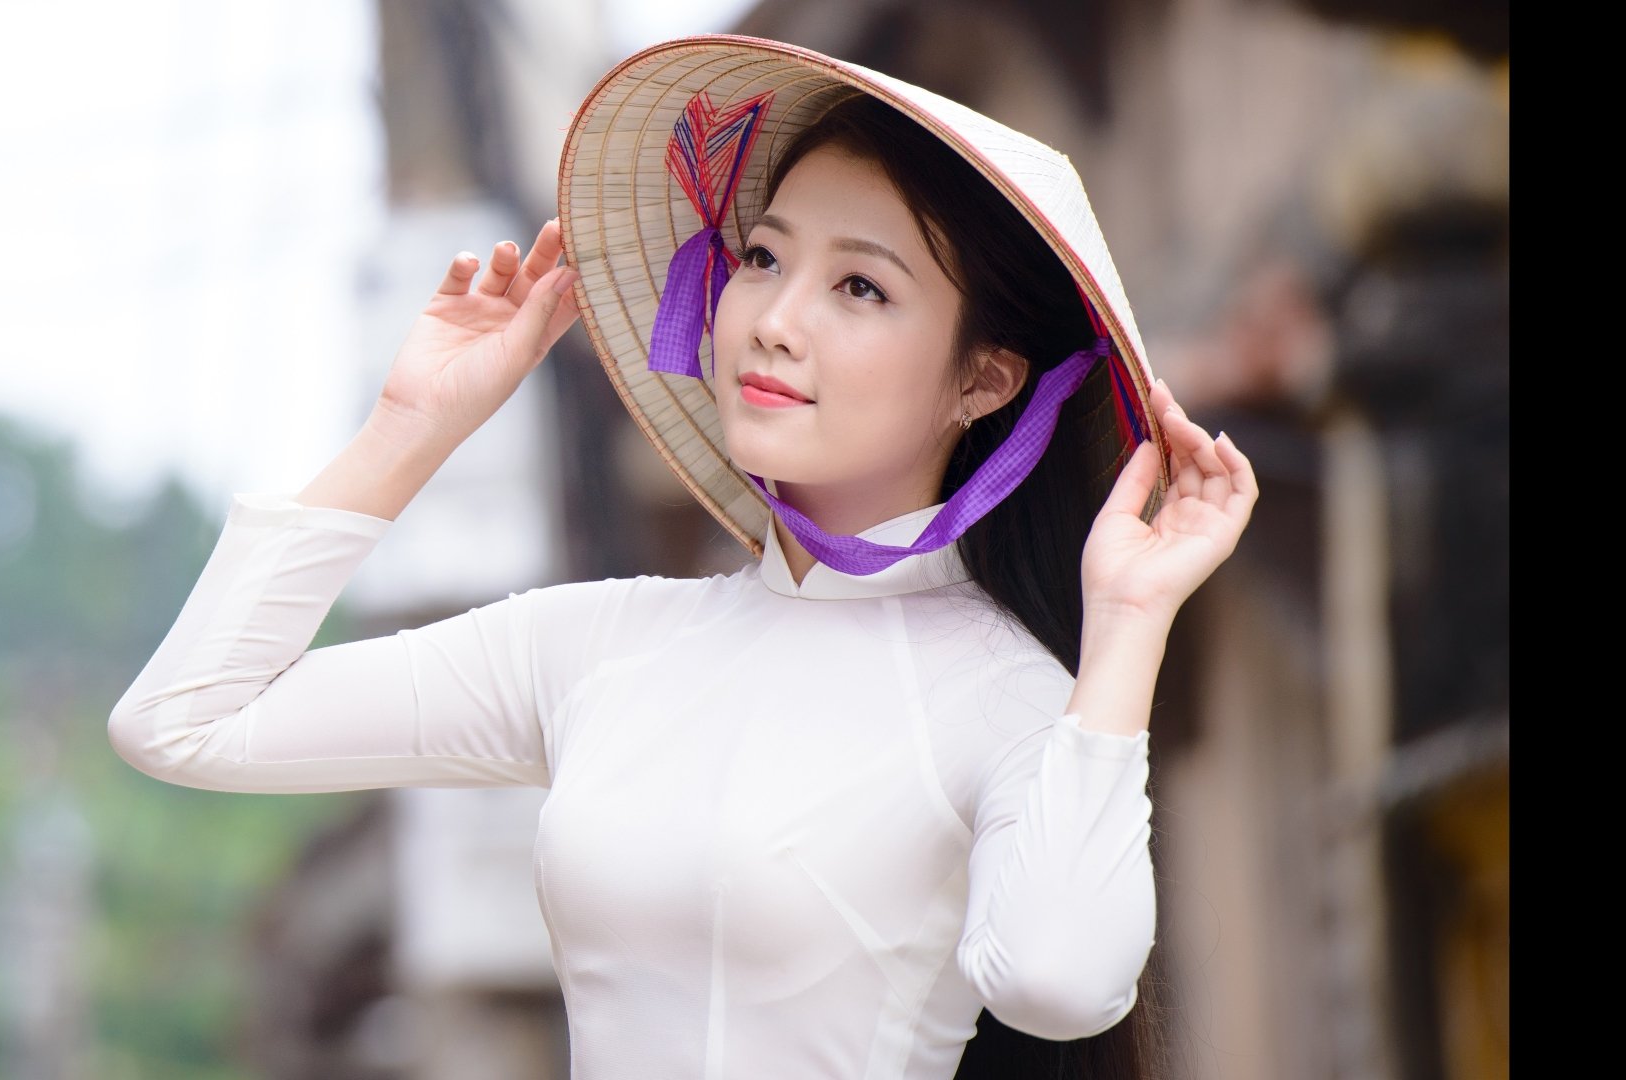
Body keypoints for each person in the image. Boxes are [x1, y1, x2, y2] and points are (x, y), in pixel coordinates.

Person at [110, 36, 1256, 1080]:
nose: (773, 318)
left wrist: (1128, 623)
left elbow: (1058, 988)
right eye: (763, 258)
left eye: (860, 286)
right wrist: (414, 425)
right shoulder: (603, 646)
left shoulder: (1012, 702)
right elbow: (184, 721)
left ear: (985, 380)